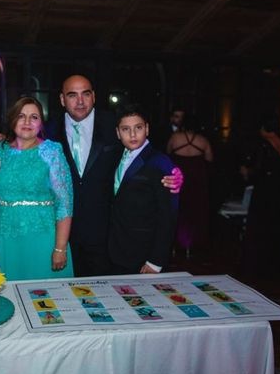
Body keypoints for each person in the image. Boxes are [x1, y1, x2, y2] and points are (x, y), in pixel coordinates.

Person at [47, 74, 183, 277]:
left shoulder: (115, 123)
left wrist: (175, 174)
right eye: (72, 95)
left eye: (85, 94)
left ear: (94, 96)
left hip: (108, 235)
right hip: (62, 232)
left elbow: (147, 156)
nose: (80, 101)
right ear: (61, 99)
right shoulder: (49, 129)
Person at [0, 97, 73, 280]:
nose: (27, 122)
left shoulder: (51, 151)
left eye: (34, 117)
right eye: (21, 116)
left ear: (41, 123)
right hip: (5, 235)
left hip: (43, 237)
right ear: (12, 119)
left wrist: (60, 247)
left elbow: (65, 203)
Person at [108, 105, 178, 274]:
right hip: (118, 248)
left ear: (146, 129)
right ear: (118, 133)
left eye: (138, 128)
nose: (132, 135)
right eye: (126, 129)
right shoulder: (115, 156)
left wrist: (156, 261)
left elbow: (167, 215)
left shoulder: (159, 162)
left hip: (144, 251)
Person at [241, 116, 280, 277]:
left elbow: (258, 170)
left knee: (260, 228)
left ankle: (258, 266)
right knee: (277, 228)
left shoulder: (263, 146)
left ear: (265, 129)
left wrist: (246, 171)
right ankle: (276, 266)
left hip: (266, 192)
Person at [167, 114, 213, 257]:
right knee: (195, 213)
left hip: (178, 179)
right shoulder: (203, 140)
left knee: (177, 211)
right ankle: (192, 245)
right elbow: (210, 159)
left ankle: (174, 245)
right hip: (196, 181)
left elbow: (167, 153)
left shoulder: (175, 138)